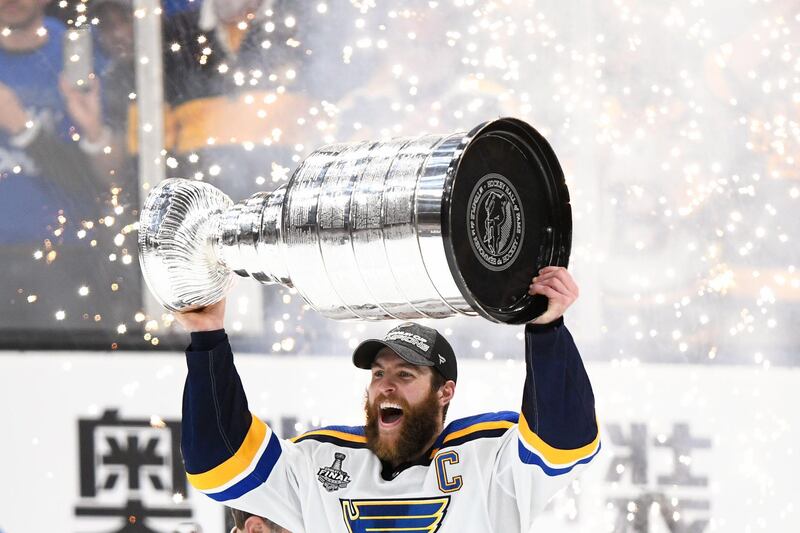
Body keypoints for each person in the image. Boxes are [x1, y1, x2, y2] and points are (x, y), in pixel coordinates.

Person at [174, 265, 599, 531]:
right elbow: (219, 465)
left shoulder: (487, 457)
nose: (386, 386)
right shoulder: (322, 460)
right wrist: (207, 336)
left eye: (405, 374)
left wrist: (546, 328)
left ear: (445, 392)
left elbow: (563, 441)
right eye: (378, 373)